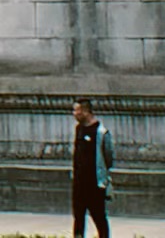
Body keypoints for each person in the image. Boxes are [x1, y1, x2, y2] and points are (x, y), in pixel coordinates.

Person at [71, 97, 113, 238]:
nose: (74, 114)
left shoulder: (101, 132)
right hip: (78, 183)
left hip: (95, 184)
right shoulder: (79, 129)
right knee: (78, 218)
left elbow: (108, 158)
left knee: (99, 217)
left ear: (85, 111)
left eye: (76, 110)